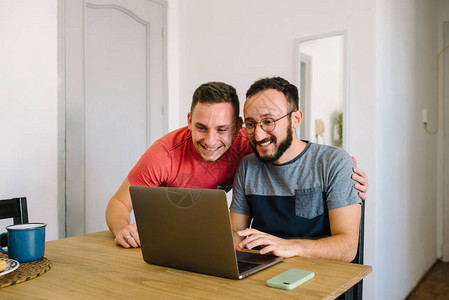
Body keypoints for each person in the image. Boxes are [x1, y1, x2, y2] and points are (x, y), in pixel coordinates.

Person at [106, 81, 369, 248]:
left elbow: (285, 145)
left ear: (237, 128)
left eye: (222, 129)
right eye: (200, 127)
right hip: (178, 243)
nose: (210, 141)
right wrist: (124, 230)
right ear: (188, 120)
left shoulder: (255, 143)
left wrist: (341, 172)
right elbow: (119, 204)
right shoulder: (167, 153)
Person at [230, 77, 362, 262]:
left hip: (319, 275)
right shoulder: (247, 166)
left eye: (269, 121)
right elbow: (235, 233)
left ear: (296, 119)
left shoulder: (334, 162)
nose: (258, 135)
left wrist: (288, 246)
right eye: (251, 124)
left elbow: (347, 248)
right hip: (262, 270)